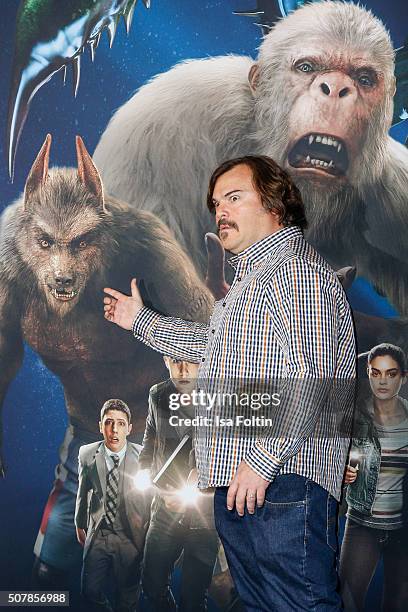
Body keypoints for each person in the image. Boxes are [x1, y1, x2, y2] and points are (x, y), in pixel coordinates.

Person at [103, 155, 356, 610]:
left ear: (275, 202)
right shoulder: (256, 280)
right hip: (251, 484)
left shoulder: (294, 272)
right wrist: (140, 321)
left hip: (280, 481)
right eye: (216, 203)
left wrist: (262, 462)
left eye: (234, 198)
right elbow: (214, 346)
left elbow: (310, 379)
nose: (220, 211)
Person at [138, 356, 219, 611]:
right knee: (151, 585)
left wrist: (202, 474)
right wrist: (147, 476)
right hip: (164, 509)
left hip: (204, 517)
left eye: (190, 361)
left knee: (194, 600)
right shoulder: (158, 395)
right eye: (175, 361)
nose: (183, 370)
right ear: (165, 361)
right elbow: (150, 441)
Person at [340, 344, 408, 611]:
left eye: (391, 374)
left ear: (403, 377)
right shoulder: (354, 417)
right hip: (362, 524)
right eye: (375, 372)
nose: (382, 381)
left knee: (398, 605)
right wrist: (341, 470)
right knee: (346, 600)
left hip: (403, 528)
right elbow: (335, 457)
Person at [74, 398, 148, 612]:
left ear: (129, 428)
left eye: (121, 423)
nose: (114, 429)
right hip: (99, 534)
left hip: (130, 537)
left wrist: (146, 536)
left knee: (127, 595)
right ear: (100, 426)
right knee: (89, 591)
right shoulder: (86, 454)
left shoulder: (143, 456)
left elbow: (152, 499)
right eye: (108, 422)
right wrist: (79, 523)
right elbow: (83, 490)